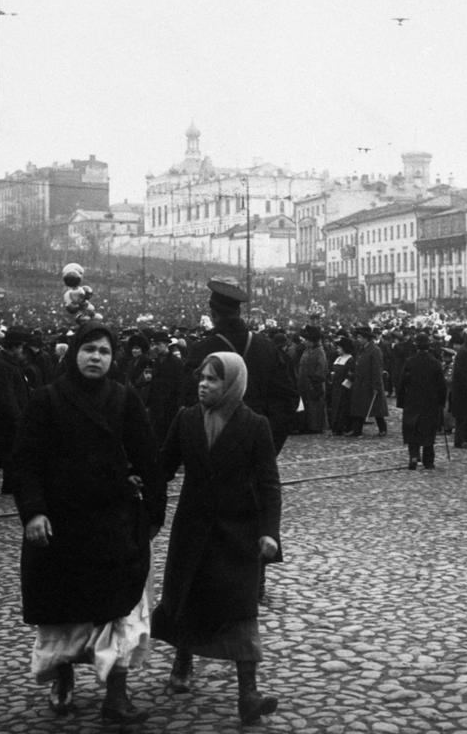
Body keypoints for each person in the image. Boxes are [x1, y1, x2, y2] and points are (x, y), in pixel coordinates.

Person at [12, 321, 165, 724]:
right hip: (60, 526)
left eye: (104, 351)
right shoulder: (46, 400)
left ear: (113, 359)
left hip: (111, 524)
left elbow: (148, 457)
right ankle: (62, 676)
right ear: (74, 353)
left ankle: (117, 695)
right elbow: (26, 461)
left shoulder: (125, 399)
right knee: (63, 612)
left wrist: (153, 512)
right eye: (89, 349)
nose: (96, 357)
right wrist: (34, 512)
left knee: (120, 611)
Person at [152, 352, 282, 725]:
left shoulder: (255, 426)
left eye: (213, 379)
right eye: (202, 378)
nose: (203, 385)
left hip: (237, 533)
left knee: (241, 612)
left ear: (233, 385)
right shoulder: (186, 419)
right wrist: (136, 482)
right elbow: (163, 466)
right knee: (186, 598)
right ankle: (182, 661)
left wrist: (269, 532)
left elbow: (269, 484)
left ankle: (248, 695)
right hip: (192, 531)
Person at [185, 278, 298, 454]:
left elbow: (188, 399)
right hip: (258, 439)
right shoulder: (267, 347)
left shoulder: (202, 350)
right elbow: (288, 398)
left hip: (214, 442)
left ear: (213, 314)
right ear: (238, 312)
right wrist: (270, 441)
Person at [0, 327, 33, 492]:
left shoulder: (10, 363)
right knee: (12, 452)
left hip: (13, 414)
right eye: (21, 347)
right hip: (7, 418)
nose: (22, 350)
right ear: (14, 346)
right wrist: (18, 418)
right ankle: (9, 486)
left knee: (10, 451)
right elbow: (7, 395)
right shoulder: (3, 364)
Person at [397, 332, 446, 470]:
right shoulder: (435, 363)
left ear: (416, 346)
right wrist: (441, 402)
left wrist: (401, 401)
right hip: (430, 402)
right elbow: (441, 386)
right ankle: (428, 461)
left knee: (412, 429)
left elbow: (401, 383)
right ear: (429, 346)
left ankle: (413, 456)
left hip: (412, 401)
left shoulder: (409, 362)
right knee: (428, 431)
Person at [346, 327, 388, 437]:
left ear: (366, 338)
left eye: (360, 337)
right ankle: (357, 430)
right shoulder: (361, 349)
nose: (358, 339)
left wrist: (376, 385)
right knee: (359, 407)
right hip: (360, 382)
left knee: (376, 407)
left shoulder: (375, 350)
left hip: (371, 382)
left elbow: (377, 369)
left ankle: (382, 428)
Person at [296, 324, 329, 434]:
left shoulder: (320, 352)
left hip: (314, 384)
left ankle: (315, 426)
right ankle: (306, 425)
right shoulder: (307, 350)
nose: (305, 342)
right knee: (306, 405)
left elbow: (321, 369)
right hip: (304, 383)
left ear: (312, 341)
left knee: (315, 406)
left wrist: (314, 380)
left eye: (307, 340)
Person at [447, 329, 467, 446]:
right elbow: (461, 372)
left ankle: (465, 437)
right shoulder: (464, 351)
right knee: (463, 415)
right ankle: (460, 440)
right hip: (462, 388)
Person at [328, 336, 355, 436]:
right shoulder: (338, 358)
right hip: (335, 387)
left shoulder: (350, 359)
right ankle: (335, 427)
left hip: (344, 388)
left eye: (339, 348)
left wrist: (345, 386)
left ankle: (343, 427)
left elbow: (351, 375)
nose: (337, 350)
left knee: (343, 408)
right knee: (335, 407)